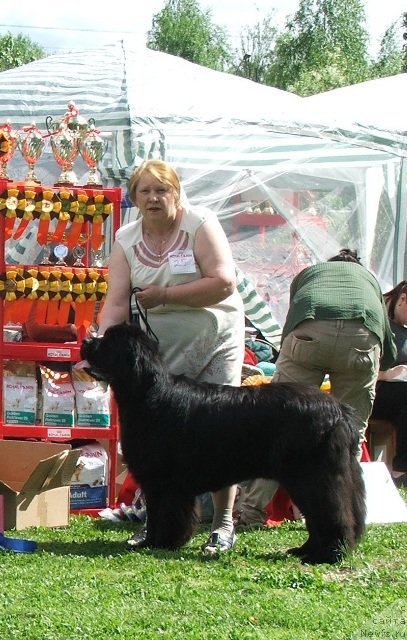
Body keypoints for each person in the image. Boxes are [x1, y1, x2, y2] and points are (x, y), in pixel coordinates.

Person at [96, 159, 245, 554]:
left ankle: (223, 522)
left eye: (161, 190)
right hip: (161, 350)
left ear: (176, 193)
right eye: (145, 191)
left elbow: (223, 283)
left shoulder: (200, 224)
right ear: (134, 198)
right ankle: (156, 520)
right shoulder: (126, 240)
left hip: (214, 337)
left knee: (218, 431)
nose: (153, 198)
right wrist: (102, 345)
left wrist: (164, 295)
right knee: (155, 438)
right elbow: (115, 304)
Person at [234, 248, 397, 530]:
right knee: (350, 434)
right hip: (361, 338)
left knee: (277, 427)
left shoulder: (312, 274)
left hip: (308, 334)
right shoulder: (369, 279)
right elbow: (386, 337)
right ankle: (344, 517)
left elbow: (295, 317)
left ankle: (251, 514)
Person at [370, 280, 407, 487]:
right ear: (403, 300)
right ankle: (402, 468)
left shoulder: (402, 328)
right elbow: (358, 368)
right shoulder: (379, 324)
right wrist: (387, 374)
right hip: (377, 392)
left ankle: (401, 468)